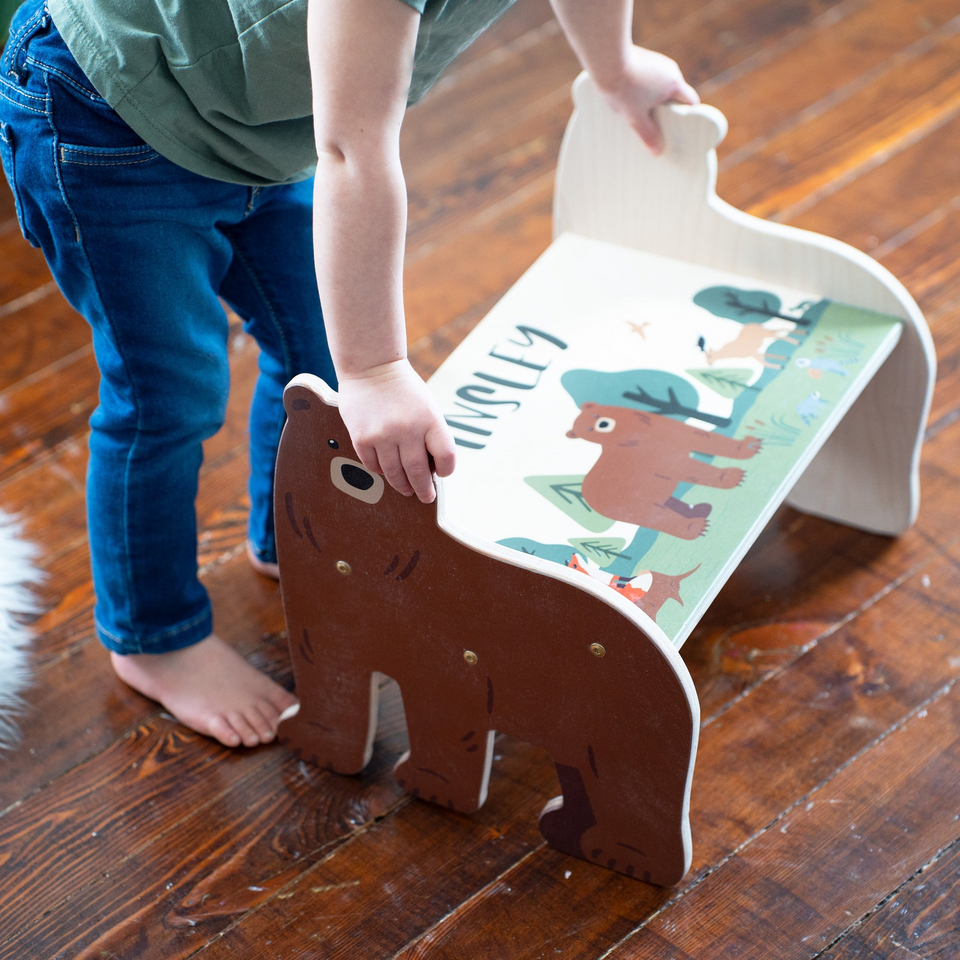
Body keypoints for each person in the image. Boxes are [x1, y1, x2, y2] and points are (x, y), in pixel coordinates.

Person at [0, 0, 698, 748]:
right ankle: (154, 636)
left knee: (317, 352)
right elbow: (354, 157)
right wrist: (375, 368)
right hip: (112, 121)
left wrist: (615, 65)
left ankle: (287, 543)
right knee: (168, 397)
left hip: (272, 136)